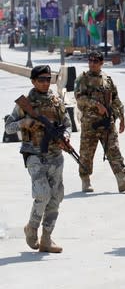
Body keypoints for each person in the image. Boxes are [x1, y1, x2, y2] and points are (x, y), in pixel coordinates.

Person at [5, 65, 72, 253]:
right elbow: (8, 128)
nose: (44, 83)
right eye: (41, 79)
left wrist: (64, 137)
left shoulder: (56, 100)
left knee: (56, 197)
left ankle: (47, 238)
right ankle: (32, 227)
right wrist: (24, 123)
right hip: (34, 154)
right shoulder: (25, 103)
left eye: (47, 79)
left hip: (55, 156)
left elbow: (67, 124)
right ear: (33, 81)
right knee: (42, 193)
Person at [74, 51, 125, 193]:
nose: (92, 64)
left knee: (113, 150)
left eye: (95, 61)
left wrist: (122, 118)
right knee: (87, 153)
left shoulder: (107, 79)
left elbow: (115, 99)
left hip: (108, 122)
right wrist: (96, 104)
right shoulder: (83, 79)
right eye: (90, 61)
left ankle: (122, 180)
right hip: (90, 123)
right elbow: (79, 98)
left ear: (101, 63)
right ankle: (85, 180)